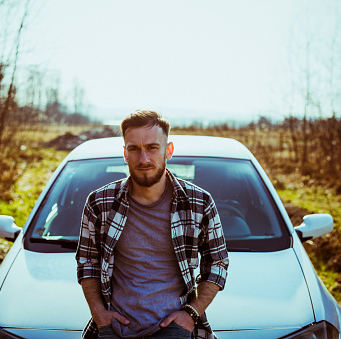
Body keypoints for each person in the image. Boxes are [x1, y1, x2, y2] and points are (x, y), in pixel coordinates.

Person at [76, 110, 229, 339]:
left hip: (174, 330)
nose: (143, 159)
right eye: (134, 149)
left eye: (152, 147)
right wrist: (99, 313)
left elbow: (217, 263)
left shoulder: (199, 203)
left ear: (169, 151)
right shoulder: (100, 203)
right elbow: (87, 261)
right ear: (125, 154)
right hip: (114, 328)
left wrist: (190, 315)